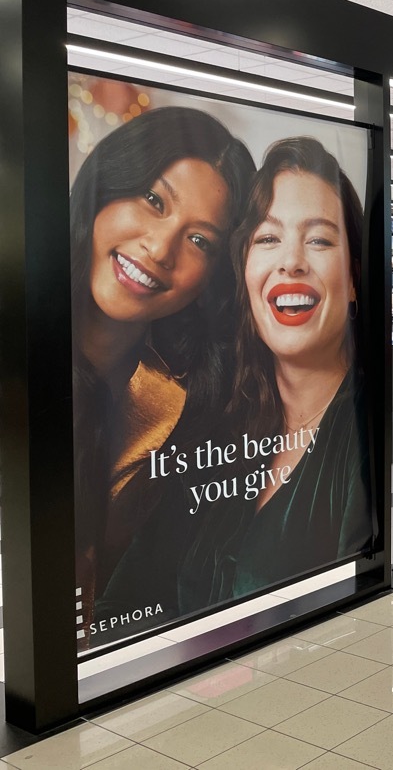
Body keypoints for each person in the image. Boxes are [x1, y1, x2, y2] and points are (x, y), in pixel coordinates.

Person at [71, 106, 254, 642]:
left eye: (199, 240)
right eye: (153, 201)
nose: (160, 248)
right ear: (109, 184)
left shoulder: (188, 398)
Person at [178, 137, 374, 612]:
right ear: (243, 270)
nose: (291, 261)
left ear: (352, 279)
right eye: (268, 238)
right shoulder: (218, 416)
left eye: (320, 239)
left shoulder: (362, 430)